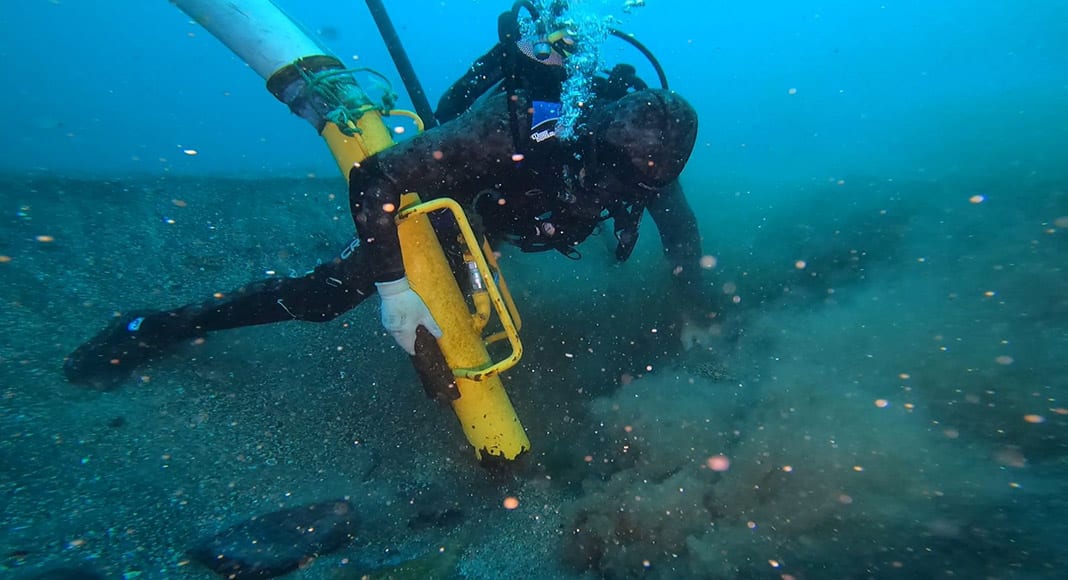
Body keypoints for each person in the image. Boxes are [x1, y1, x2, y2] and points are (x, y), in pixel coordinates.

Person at [63, 6, 714, 387]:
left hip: (516, 209)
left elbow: (681, 235)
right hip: (468, 196)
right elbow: (375, 177)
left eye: (639, 188)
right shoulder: (518, 128)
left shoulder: (644, 167)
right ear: (589, 134)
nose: (618, 194)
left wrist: (695, 312)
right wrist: (396, 290)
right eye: (611, 176)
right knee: (326, 295)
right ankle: (154, 327)